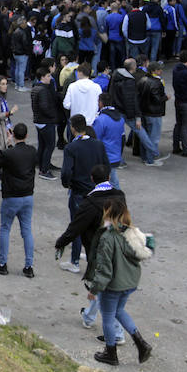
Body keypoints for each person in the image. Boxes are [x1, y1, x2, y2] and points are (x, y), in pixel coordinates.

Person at [54, 165, 126, 341]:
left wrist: (61, 242)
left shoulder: (90, 203)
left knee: (103, 291)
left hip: (99, 251)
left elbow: (76, 227)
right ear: (109, 177)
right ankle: (88, 316)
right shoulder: (120, 196)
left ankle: (117, 334)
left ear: (92, 180)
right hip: (118, 246)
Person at [87, 198, 153, 366]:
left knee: (108, 317)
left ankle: (111, 354)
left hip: (113, 285)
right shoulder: (131, 232)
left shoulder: (108, 237)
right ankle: (141, 343)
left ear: (108, 214)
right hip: (130, 282)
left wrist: (93, 289)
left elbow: (104, 270)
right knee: (119, 310)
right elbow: (145, 249)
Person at [60, 115, 109, 274]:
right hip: (97, 192)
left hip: (79, 192)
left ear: (72, 128)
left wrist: (67, 183)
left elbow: (67, 172)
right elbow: (106, 166)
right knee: (96, 225)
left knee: (77, 225)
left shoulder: (71, 148)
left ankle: (74, 261)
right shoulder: (98, 145)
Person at [0, 123, 36, 278]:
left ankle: (3, 263)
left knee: (5, 229)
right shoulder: (32, 151)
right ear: (26, 136)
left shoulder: (9, 154)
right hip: (27, 196)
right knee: (26, 230)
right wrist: (9, 146)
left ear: (13, 135)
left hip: (12, 196)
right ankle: (29, 266)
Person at [136, 61, 170, 165]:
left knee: (145, 136)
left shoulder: (142, 80)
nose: (161, 71)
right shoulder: (157, 83)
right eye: (159, 69)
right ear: (154, 71)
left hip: (144, 112)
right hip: (154, 113)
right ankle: (151, 159)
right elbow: (157, 99)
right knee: (153, 137)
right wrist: (165, 97)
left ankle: (144, 157)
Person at [31, 66, 61, 179]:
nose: (50, 78)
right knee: (50, 145)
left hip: (39, 121)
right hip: (46, 121)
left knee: (42, 145)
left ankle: (41, 164)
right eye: (48, 76)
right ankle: (44, 171)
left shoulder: (35, 88)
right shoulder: (43, 90)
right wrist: (54, 116)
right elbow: (44, 107)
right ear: (42, 77)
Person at [92, 93, 125, 187]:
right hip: (115, 155)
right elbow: (122, 137)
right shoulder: (120, 118)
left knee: (112, 182)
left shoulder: (101, 119)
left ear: (101, 103)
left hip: (104, 156)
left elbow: (95, 139)